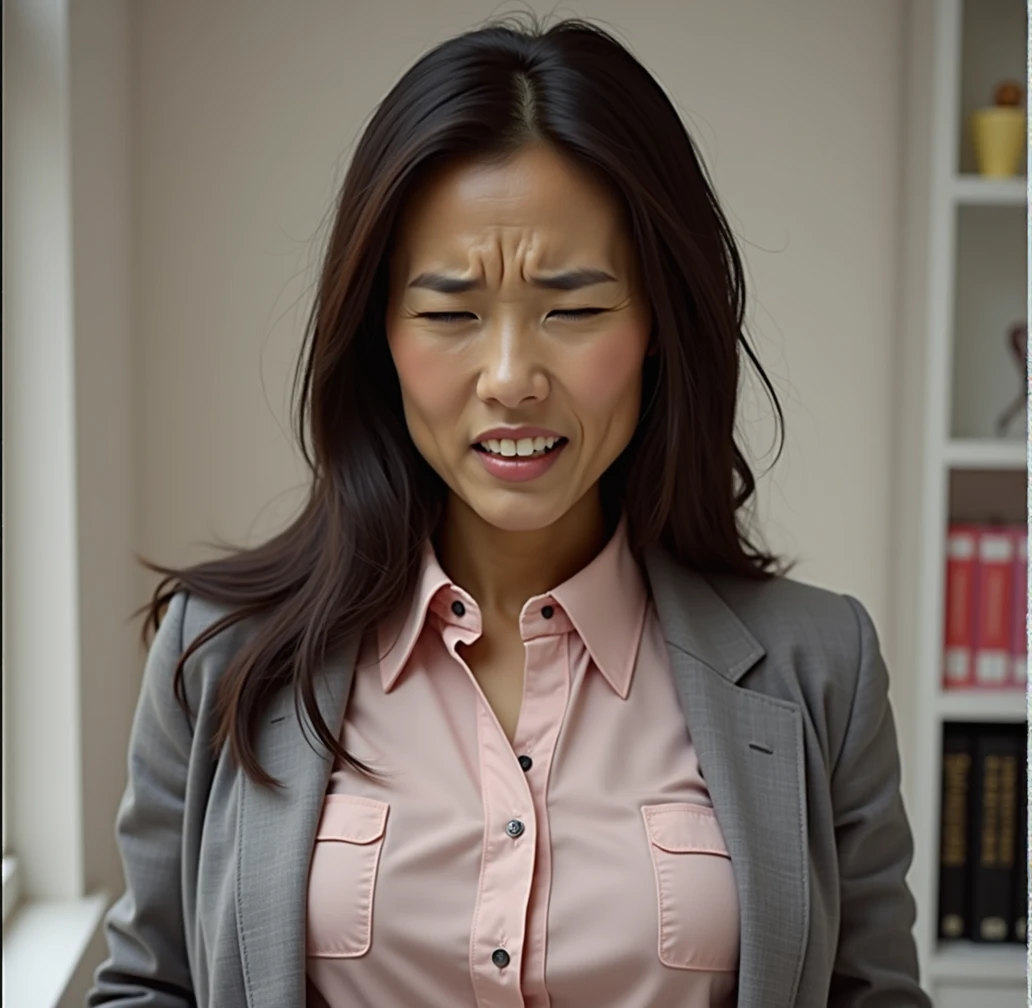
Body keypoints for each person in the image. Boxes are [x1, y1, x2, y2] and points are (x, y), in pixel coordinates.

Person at [88, 14, 931, 1008]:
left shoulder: (820, 671)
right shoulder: (217, 655)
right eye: (449, 313)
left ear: (659, 322)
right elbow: (149, 989)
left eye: (572, 310)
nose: (510, 378)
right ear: (380, 335)